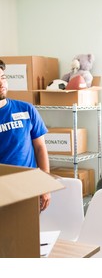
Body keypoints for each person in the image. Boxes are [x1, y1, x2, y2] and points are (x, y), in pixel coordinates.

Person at [0, 59, 51, 211]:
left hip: (28, 185)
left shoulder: (26, 109)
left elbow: (40, 148)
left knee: (28, 233)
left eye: (2, 77)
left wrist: (45, 185)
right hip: (2, 188)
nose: (1, 83)